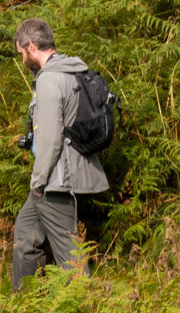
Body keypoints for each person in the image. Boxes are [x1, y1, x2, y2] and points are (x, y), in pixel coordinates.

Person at [11, 19, 109, 290]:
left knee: (70, 253)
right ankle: (28, 304)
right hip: (66, 175)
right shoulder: (72, 71)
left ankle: (83, 310)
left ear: (32, 47)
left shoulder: (50, 80)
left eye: (22, 53)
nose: (22, 60)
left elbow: (50, 139)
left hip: (56, 181)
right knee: (26, 234)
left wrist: (38, 181)